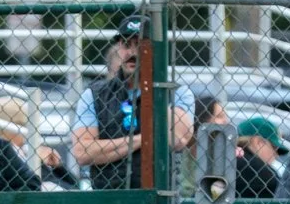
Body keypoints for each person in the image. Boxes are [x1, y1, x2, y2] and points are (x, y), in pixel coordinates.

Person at [69, 15, 195, 190]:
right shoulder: (95, 94)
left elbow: (176, 139)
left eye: (140, 45)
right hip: (108, 199)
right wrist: (144, 139)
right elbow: (83, 152)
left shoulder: (177, 93)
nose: (132, 53)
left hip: (162, 200)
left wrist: (152, 88)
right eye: (126, 45)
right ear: (119, 47)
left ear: (155, 49)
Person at [0, 95, 71, 187]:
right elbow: (66, 189)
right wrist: (39, 163)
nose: (26, 132)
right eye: (23, 124)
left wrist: (58, 167)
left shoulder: (23, 151)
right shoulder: (5, 156)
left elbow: (75, 188)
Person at [233, 116, 287, 202]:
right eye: (274, 148)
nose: (276, 155)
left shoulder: (226, 158)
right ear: (259, 142)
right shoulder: (262, 172)